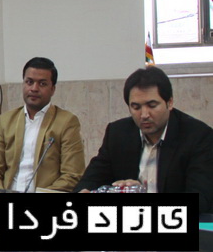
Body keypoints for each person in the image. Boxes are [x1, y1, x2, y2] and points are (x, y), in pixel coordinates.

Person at [75, 66, 213, 213]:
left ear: (170, 102)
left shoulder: (198, 136)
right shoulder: (117, 133)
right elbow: (90, 180)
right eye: (136, 107)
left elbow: (201, 200)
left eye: (152, 106)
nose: (144, 114)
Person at [0, 57, 85, 192]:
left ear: (53, 89)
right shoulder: (6, 120)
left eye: (42, 84)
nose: (34, 88)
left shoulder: (66, 122)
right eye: (29, 82)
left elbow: (72, 175)